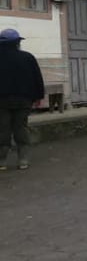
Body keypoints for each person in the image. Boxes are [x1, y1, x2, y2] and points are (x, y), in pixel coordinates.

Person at [0, 29, 44, 171]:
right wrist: (39, 96)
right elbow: (37, 79)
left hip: (2, 101)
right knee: (21, 128)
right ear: (17, 43)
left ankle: (2, 162)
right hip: (24, 100)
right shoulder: (28, 57)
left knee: (2, 129)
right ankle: (23, 160)